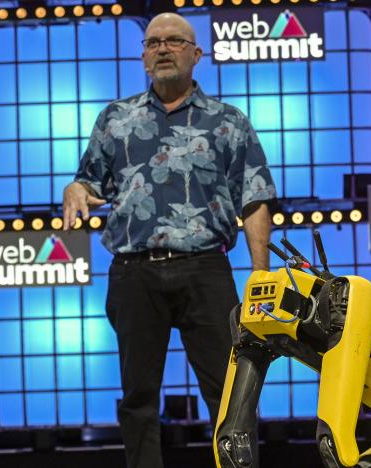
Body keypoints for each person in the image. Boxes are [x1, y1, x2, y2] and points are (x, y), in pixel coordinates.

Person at [61, 12, 276, 468]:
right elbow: (88, 182)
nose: (162, 48)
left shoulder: (228, 121)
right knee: (137, 396)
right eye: (153, 41)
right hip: (134, 272)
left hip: (205, 270)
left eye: (175, 41)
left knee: (230, 392)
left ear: (197, 55)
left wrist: (261, 274)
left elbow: (254, 197)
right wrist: (75, 190)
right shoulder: (116, 119)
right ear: (142, 56)